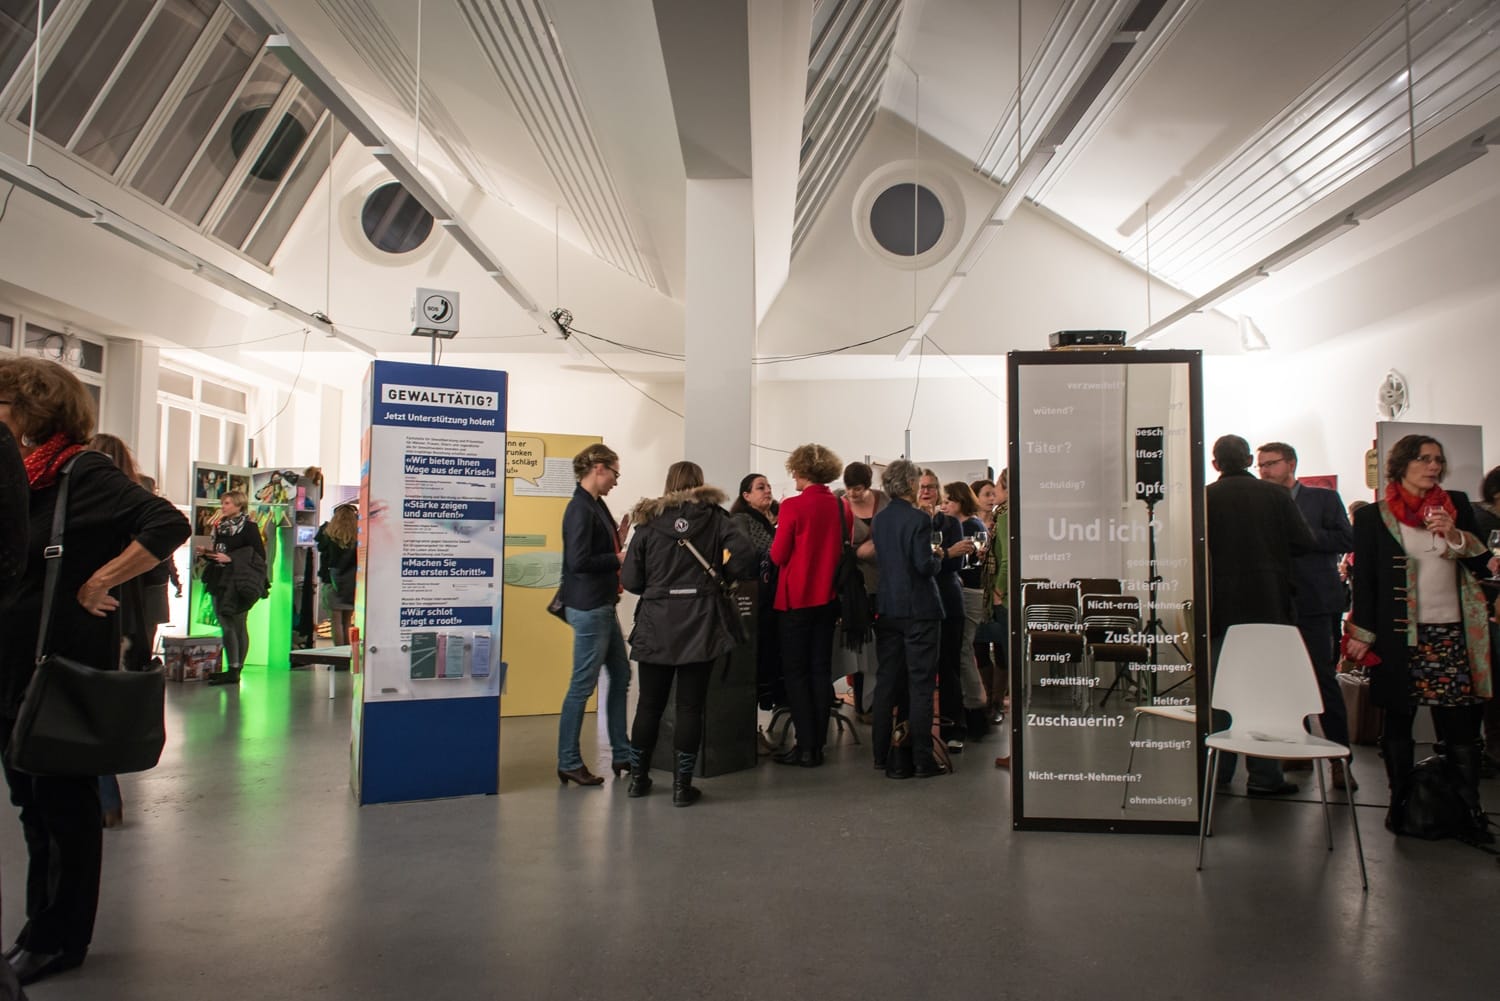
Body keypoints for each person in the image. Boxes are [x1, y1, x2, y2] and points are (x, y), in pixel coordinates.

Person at [0, 357, 190, 986]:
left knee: (63, 805)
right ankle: (39, 926)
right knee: (32, 806)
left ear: (30, 408)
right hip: (15, 666)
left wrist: (102, 578)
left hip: (59, 667)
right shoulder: (26, 477)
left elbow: (168, 523)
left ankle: (60, 938)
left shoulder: (84, 471)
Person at [1345, 435, 1493, 838]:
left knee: (1460, 721)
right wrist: (1361, 633)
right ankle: (1401, 803)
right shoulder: (1374, 517)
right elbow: (1367, 582)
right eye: (1424, 459)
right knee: (1399, 717)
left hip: (1451, 632)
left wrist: (1455, 534)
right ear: (1402, 464)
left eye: (1438, 460)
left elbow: (1483, 562)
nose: (1432, 467)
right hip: (1399, 635)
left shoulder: (1456, 504)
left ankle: (1469, 809)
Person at [621, 462, 753, 805]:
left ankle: (638, 780)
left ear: (669, 484)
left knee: (649, 705)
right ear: (699, 484)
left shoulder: (647, 523)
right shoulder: (715, 518)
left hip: (656, 622)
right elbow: (743, 557)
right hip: (701, 620)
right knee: (690, 706)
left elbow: (632, 580)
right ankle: (682, 787)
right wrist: (722, 568)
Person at [1204, 434, 1314, 796]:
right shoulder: (1277, 496)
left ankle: (1219, 772)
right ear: (1250, 459)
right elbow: (1303, 542)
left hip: (1220, 607)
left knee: (1221, 691)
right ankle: (1265, 776)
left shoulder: (1204, 497)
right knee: (1264, 693)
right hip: (1268, 605)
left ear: (1216, 464)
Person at [1255, 441, 1357, 789]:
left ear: (1291, 464)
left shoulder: (1322, 499)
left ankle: (1340, 761)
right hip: (1275, 602)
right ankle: (1294, 751)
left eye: (1270, 464)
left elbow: (1347, 537)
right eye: (1260, 465)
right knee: (1282, 682)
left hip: (1315, 601)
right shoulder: (1261, 503)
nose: (1265, 471)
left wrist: (1302, 536)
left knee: (1322, 681)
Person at [85, 434, 161, 828]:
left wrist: (98, 581)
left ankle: (103, 799)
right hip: (126, 615)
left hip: (101, 614)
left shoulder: (102, 505)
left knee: (90, 706)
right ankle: (106, 799)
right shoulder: (136, 502)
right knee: (103, 704)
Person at [556, 443, 632, 786]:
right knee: (582, 685)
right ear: (599, 467)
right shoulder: (579, 509)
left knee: (621, 673)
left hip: (601, 603)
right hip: (589, 606)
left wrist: (618, 540)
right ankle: (569, 760)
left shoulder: (594, 505)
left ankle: (622, 751)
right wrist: (617, 559)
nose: (616, 480)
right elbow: (579, 561)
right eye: (615, 472)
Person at [768, 442, 847, 767]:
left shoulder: (792, 507)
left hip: (796, 600)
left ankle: (806, 746)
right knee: (820, 671)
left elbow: (777, 555)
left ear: (800, 471)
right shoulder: (840, 507)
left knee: (796, 674)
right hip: (828, 599)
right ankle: (818, 745)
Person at [870, 460, 944, 778]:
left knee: (888, 682)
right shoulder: (918, 520)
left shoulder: (880, 519)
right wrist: (938, 557)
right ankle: (922, 759)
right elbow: (923, 565)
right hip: (919, 609)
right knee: (921, 685)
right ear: (911, 485)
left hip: (888, 608)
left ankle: (883, 754)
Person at [917, 470, 976, 751]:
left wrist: (944, 556)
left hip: (949, 601)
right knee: (922, 670)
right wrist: (946, 552)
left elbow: (955, 564)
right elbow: (917, 565)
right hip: (920, 604)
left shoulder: (951, 522)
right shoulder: (913, 524)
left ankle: (955, 729)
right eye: (922, 487)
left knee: (950, 667)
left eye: (931, 487)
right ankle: (918, 729)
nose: (927, 491)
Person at [197, 490, 266, 684]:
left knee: (236, 624)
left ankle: (235, 668)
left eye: (227, 503)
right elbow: (222, 552)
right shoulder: (220, 527)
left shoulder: (249, 528)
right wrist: (207, 554)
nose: (223, 506)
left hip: (239, 581)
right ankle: (232, 667)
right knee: (226, 624)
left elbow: (258, 556)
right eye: (223, 503)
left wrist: (232, 559)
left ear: (238, 504)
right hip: (220, 578)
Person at [944, 481, 993, 741]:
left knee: (964, 651)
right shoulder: (961, 525)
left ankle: (976, 707)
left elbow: (971, 563)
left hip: (970, 593)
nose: (945, 505)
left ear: (961, 501)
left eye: (949, 501)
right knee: (961, 651)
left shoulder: (972, 526)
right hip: (965, 591)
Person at [730, 473, 782, 711]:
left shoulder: (768, 522)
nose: (768, 491)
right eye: (761, 487)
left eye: (769, 486)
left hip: (769, 598)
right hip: (753, 599)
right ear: (746, 495)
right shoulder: (742, 520)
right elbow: (745, 555)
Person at [844, 461, 887, 721]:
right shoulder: (841, 505)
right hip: (856, 584)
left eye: (858, 489)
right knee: (861, 647)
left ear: (868, 486)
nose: (853, 494)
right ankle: (864, 703)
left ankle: (879, 701)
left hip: (885, 581)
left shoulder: (885, 501)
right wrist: (857, 551)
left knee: (883, 645)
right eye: (849, 489)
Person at [1471, 466, 1500, 776]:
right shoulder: (1482, 521)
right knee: (1493, 679)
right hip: (1489, 609)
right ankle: (1492, 746)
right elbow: (1482, 568)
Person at [315, 503, 359, 645]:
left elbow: (320, 546)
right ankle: (347, 655)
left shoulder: (327, 533)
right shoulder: (358, 535)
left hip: (331, 581)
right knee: (347, 622)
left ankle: (338, 657)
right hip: (350, 583)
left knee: (336, 622)